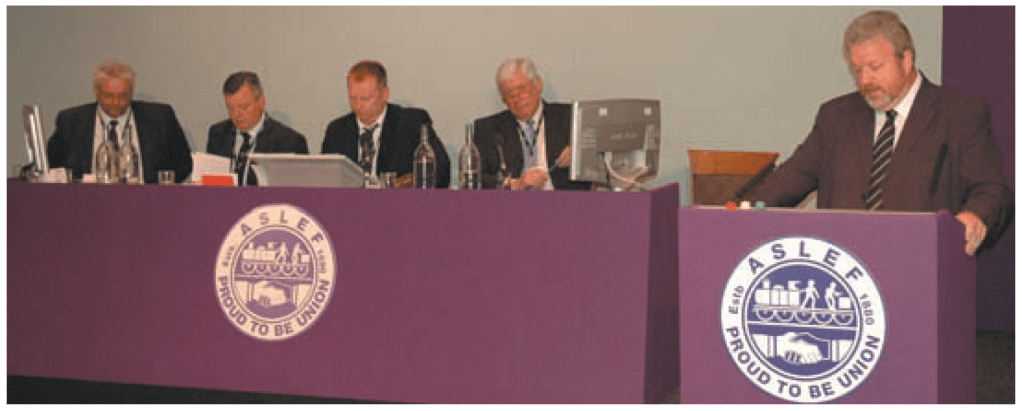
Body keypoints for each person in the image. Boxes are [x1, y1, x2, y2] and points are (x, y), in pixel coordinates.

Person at [753, 10, 1013, 256]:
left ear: (906, 59)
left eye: (875, 67)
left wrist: (975, 217)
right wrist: (745, 210)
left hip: (920, 265)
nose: (865, 80)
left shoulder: (958, 115)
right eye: (857, 69)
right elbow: (789, 180)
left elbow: (992, 190)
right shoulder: (836, 117)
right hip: (845, 271)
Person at [47, 58, 192, 184]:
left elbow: (184, 164)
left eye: (123, 96)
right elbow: (51, 165)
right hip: (87, 202)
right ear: (96, 92)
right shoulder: (71, 122)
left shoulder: (160, 118)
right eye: (108, 96)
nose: (116, 102)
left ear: (132, 91)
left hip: (146, 203)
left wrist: (159, 193)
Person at [321, 60, 450, 188]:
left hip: (399, 205)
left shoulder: (411, 124)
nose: (358, 106)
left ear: (384, 94)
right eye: (353, 98)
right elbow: (323, 180)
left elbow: (440, 172)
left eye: (365, 99)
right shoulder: (337, 131)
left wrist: (407, 182)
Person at [472, 57, 590, 190]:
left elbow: (600, 163)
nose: (517, 98)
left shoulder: (571, 117)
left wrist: (580, 156)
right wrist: (515, 184)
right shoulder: (487, 128)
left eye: (522, 89)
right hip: (511, 204)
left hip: (564, 202)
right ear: (503, 100)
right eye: (509, 94)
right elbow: (475, 178)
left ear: (538, 84)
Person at [207, 71, 309, 185]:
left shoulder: (289, 142)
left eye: (244, 107)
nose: (236, 114)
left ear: (261, 102)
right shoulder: (218, 135)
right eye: (230, 108)